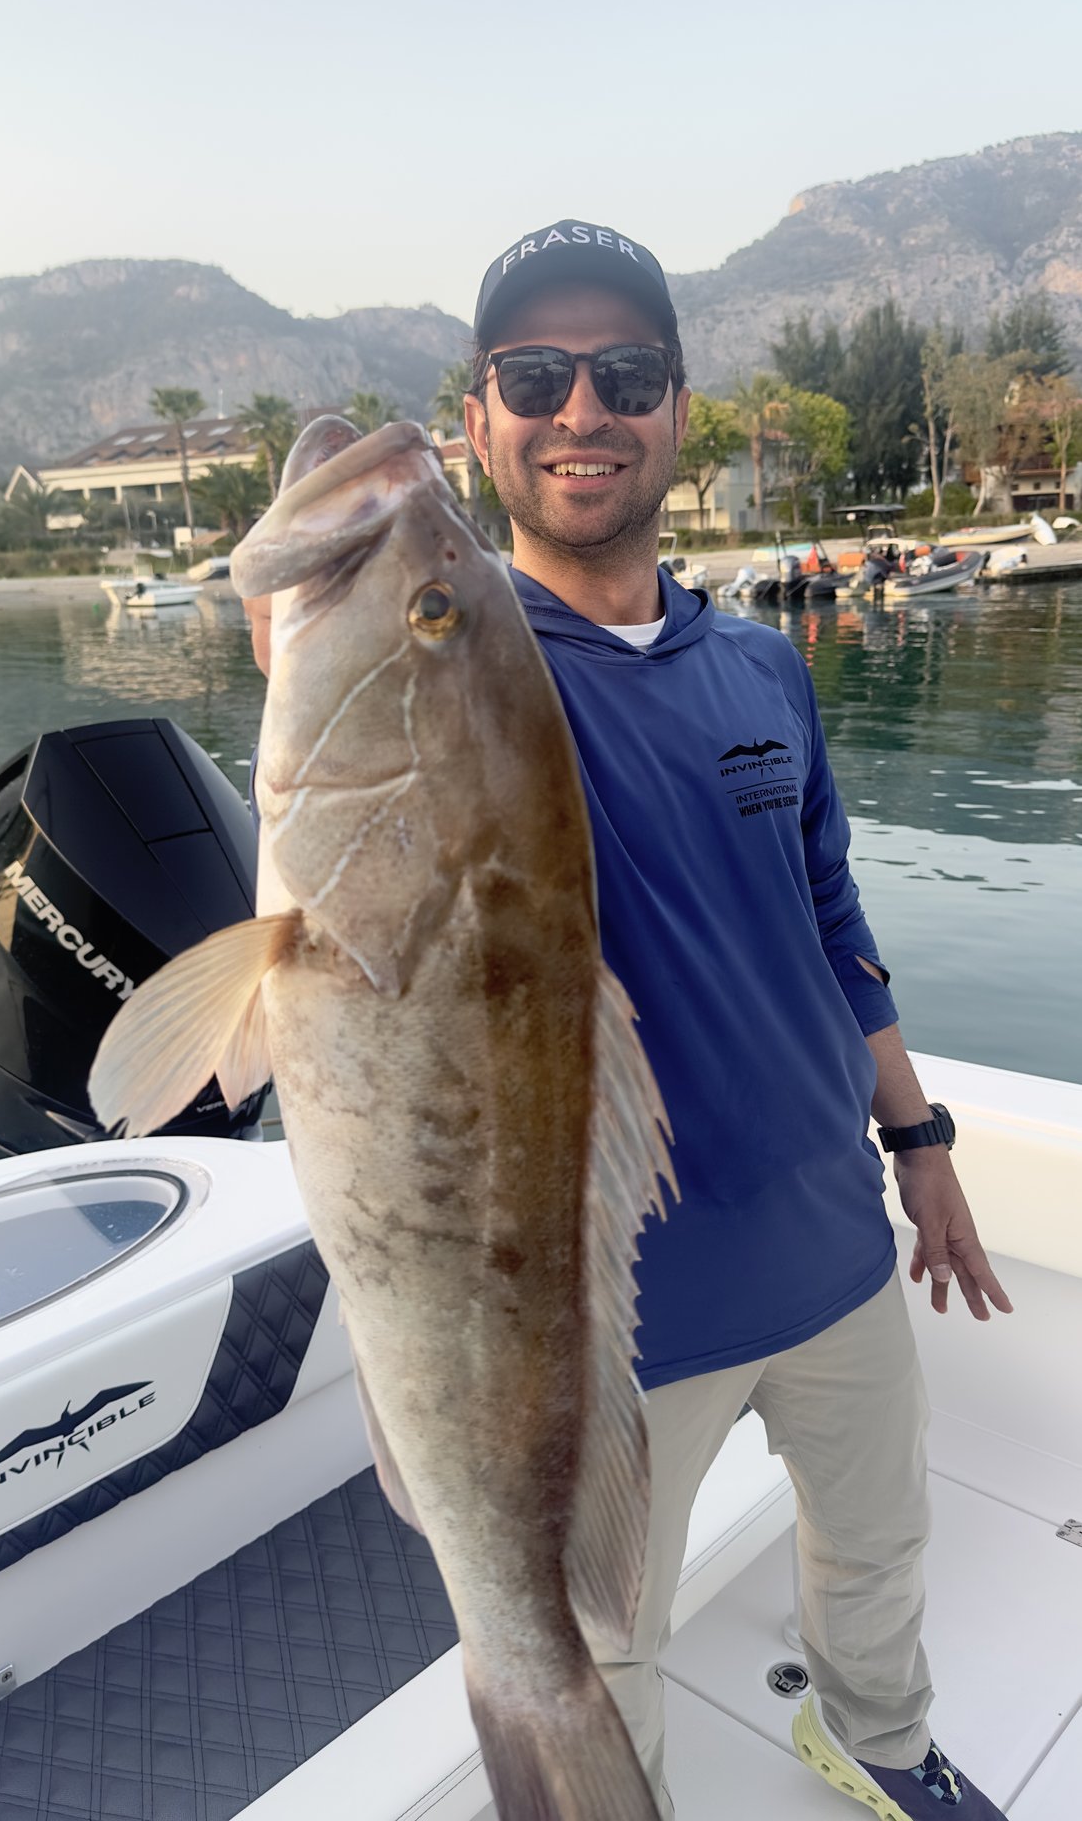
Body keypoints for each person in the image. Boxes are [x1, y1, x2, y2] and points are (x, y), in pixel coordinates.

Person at [457, 221, 1012, 1821]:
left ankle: (875, 1746)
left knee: (876, 1544)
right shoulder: (470, 681)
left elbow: (834, 926)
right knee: (600, 1665)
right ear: (479, 414)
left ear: (677, 410)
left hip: (833, 1247)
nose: (582, 409)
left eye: (623, 374)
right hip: (616, 1321)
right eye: (535, 375)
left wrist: (919, 1150)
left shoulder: (766, 666)